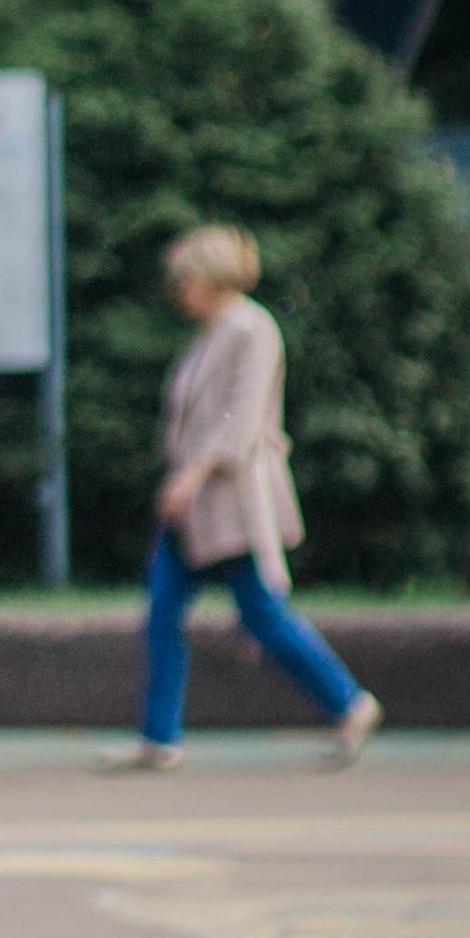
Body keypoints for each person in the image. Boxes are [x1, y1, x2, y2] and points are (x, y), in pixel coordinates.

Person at [98, 223, 383, 774]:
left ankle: (350, 703)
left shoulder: (251, 329)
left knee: (261, 613)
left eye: (185, 279)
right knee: (163, 609)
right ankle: (158, 736)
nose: (177, 290)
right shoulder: (212, 332)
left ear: (211, 277)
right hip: (199, 509)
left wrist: (192, 473)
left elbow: (240, 416)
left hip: (230, 502)